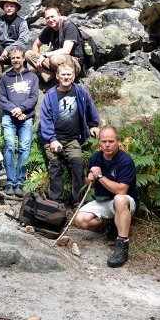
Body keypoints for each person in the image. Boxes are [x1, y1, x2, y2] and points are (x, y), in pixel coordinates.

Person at [72, 126, 139, 268]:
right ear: (99, 143)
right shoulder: (95, 158)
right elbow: (88, 182)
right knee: (80, 220)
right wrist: (90, 178)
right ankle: (107, 223)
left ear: (118, 142)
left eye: (111, 141)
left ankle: (122, 245)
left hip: (125, 202)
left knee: (119, 199)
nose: (107, 145)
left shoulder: (125, 160)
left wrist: (100, 176)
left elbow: (121, 190)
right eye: (104, 141)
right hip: (102, 201)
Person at [38, 62, 100, 205]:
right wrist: (52, 139)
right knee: (55, 166)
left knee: (78, 165)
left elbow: (90, 108)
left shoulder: (80, 92)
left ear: (73, 76)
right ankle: (56, 201)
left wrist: (93, 125)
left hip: (72, 139)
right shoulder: (50, 95)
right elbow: (45, 120)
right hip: (53, 138)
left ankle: (77, 201)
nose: (66, 77)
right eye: (63, 75)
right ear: (58, 76)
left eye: (69, 75)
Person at [0, 47, 39, 197]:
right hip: (9, 116)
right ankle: (10, 181)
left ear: (23, 59)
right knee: (9, 145)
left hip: (26, 117)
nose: (15, 60)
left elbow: (34, 98)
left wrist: (21, 109)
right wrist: (15, 110)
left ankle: (20, 182)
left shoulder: (32, 77)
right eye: (13, 58)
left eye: (18, 57)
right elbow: (1, 99)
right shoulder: (5, 78)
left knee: (24, 147)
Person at [25, 7, 84, 81]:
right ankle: (52, 77)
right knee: (28, 54)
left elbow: (66, 51)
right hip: (56, 61)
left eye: (52, 16)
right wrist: (36, 65)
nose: (50, 20)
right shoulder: (49, 29)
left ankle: (64, 78)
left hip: (73, 62)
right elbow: (36, 45)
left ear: (59, 15)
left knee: (54, 59)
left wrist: (44, 55)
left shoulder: (69, 27)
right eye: (47, 18)